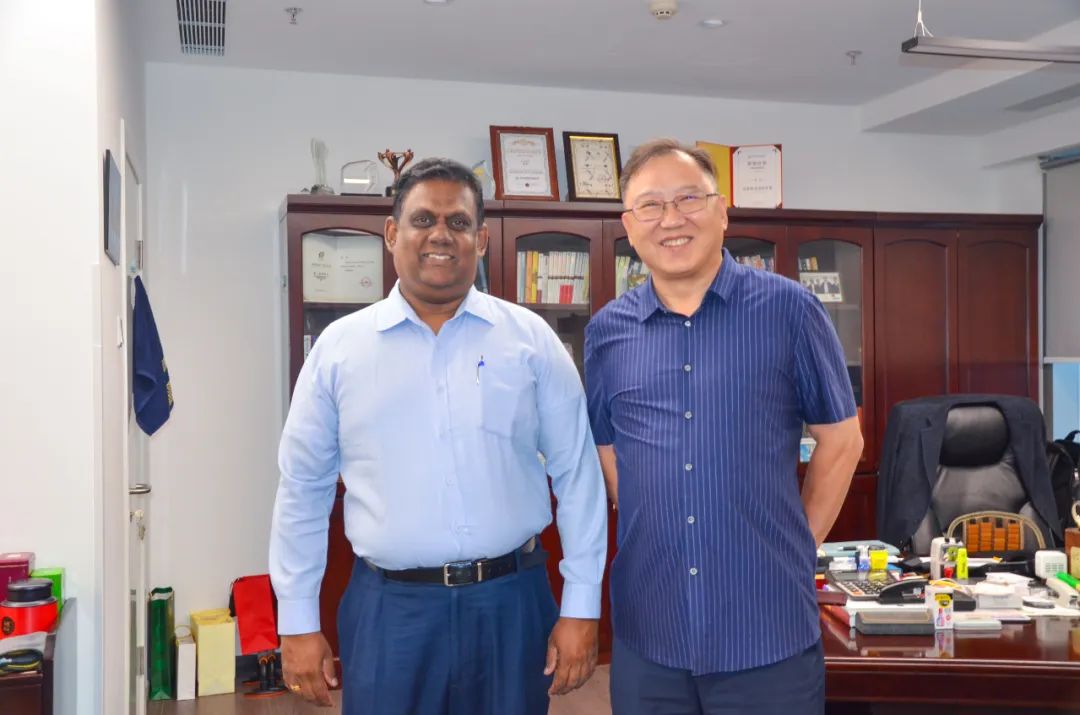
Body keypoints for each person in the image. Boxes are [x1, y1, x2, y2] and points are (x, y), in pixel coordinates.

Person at [270, 158, 607, 714]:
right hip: (390, 611)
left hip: (511, 605)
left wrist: (582, 603)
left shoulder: (530, 341)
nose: (440, 235)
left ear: (481, 239)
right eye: (423, 219)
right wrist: (298, 619)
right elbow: (302, 489)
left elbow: (577, 475)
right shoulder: (340, 350)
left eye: (458, 222)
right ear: (391, 233)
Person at [584, 139, 863, 714]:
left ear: (721, 211)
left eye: (689, 199)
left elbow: (841, 440)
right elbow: (608, 449)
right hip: (650, 628)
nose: (671, 219)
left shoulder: (791, 311)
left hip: (765, 627)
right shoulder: (608, 331)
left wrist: (795, 544)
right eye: (651, 205)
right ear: (629, 227)